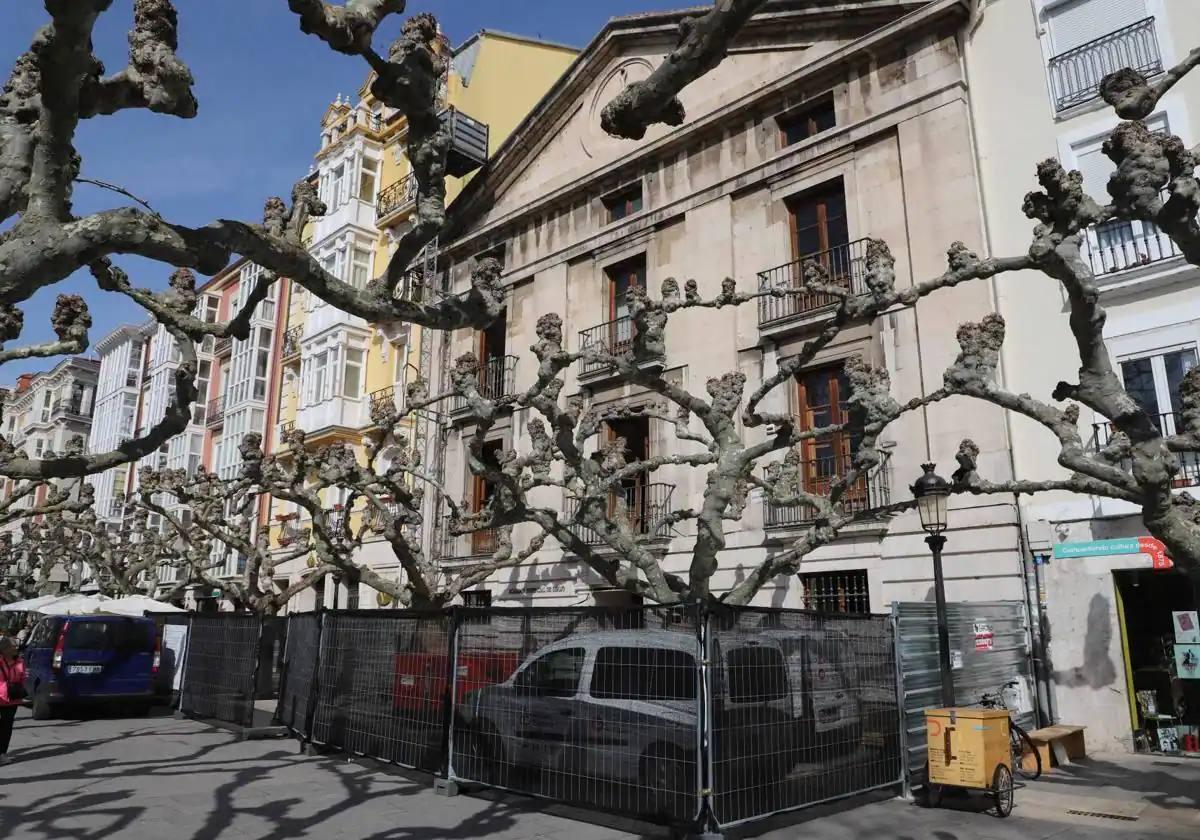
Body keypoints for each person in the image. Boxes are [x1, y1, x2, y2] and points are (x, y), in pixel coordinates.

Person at [0, 635, 26, 765]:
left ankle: (2, 753)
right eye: (13, 646)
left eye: (16, 646)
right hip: (0, 697)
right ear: (4, 649)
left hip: (12, 700)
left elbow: (22, 679)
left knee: (6, 727)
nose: (16, 648)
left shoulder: (20, 661)